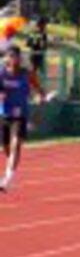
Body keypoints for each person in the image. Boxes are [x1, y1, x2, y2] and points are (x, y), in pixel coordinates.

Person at [0, 45, 45, 191]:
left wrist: (40, 97)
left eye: (15, 56)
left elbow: (39, 90)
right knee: (6, 147)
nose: (12, 60)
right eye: (9, 56)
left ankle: (8, 178)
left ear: (19, 58)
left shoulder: (27, 74)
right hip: (4, 114)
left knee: (15, 145)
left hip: (20, 114)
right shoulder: (1, 74)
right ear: (5, 59)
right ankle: (10, 171)